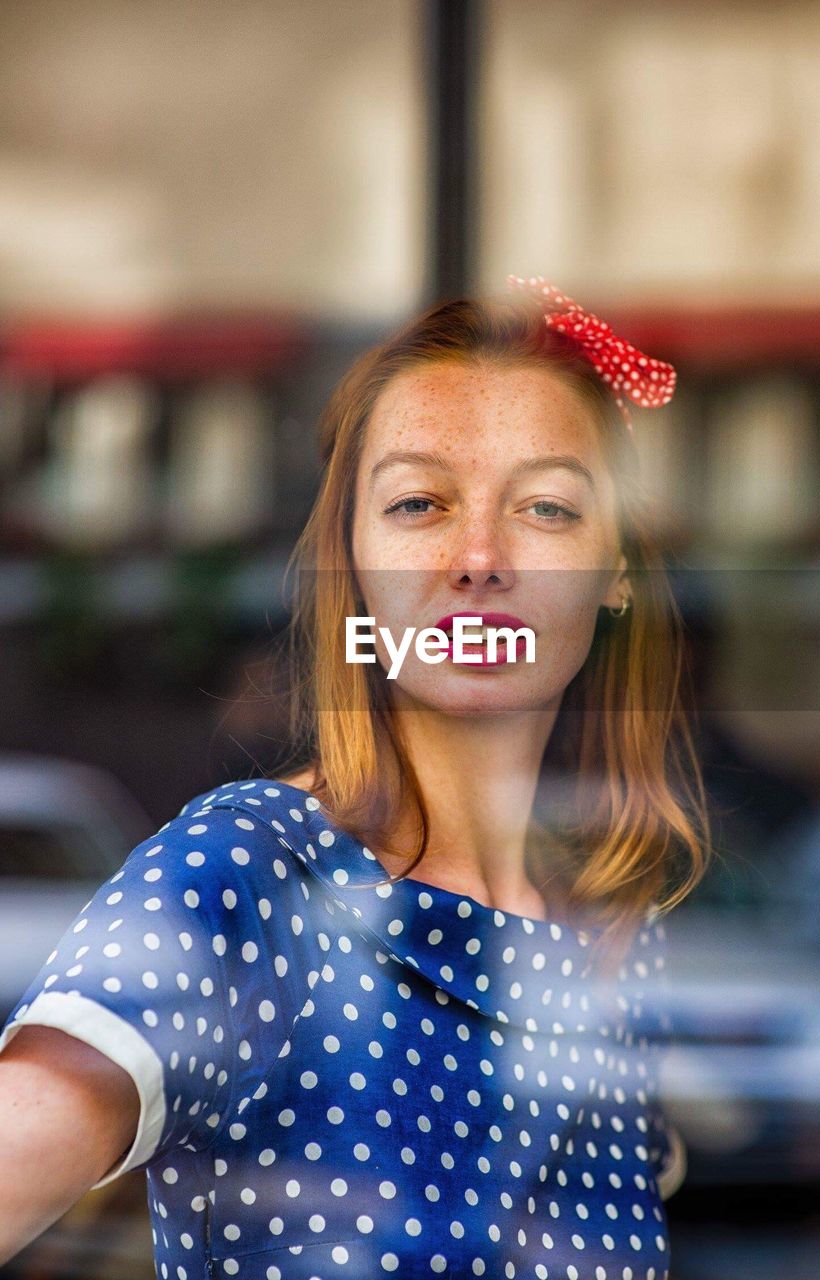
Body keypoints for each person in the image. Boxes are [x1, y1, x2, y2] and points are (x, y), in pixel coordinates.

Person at [0, 276, 710, 1279]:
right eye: (418, 501)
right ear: (349, 558)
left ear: (616, 568)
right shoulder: (246, 874)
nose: (479, 558)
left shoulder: (604, 928)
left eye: (545, 506)